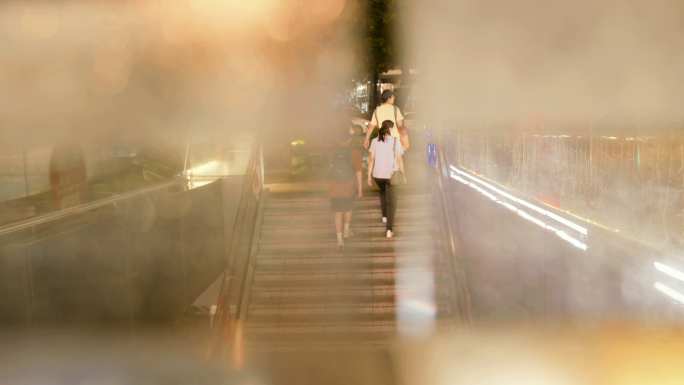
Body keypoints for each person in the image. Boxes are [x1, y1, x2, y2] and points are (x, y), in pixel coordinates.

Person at [367, 120, 405, 239]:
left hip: (378, 175)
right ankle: (389, 229)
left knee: (383, 192)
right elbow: (399, 160)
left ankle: (384, 215)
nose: (394, 130)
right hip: (391, 176)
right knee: (392, 202)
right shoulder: (395, 141)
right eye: (393, 128)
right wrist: (403, 174)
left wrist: (368, 175)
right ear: (389, 129)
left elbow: (371, 159)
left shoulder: (374, 141)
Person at [330, 128, 363, 250]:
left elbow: (331, 168)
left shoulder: (333, 152)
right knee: (348, 209)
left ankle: (339, 240)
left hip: (334, 186)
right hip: (348, 185)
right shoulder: (354, 153)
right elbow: (358, 171)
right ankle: (346, 231)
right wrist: (360, 188)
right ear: (349, 140)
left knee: (337, 213)